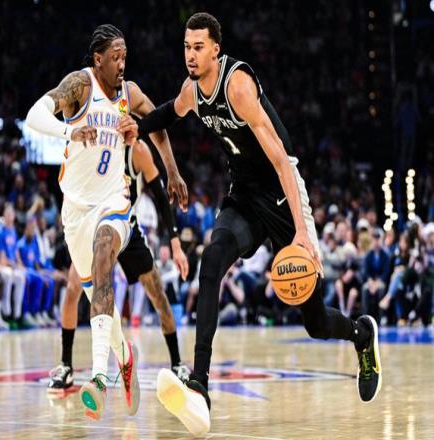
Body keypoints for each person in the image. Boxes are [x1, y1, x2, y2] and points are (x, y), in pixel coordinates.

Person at [118, 12, 382, 436]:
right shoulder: (192, 91)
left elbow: (282, 161)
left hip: (281, 195)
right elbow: (168, 113)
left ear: (216, 50)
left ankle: (360, 333)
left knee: (314, 321)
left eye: (198, 47)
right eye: (186, 47)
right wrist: (138, 126)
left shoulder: (237, 86)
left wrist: (301, 231)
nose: (190, 55)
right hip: (243, 196)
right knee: (211, 263)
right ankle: (199, 386)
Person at [26, 24, 188, 420]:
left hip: (114, 203)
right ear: (98, 59)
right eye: (115, 57)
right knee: (94, 294)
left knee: (104, 258)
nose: (121, 64)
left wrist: (172, 170)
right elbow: (34, 115)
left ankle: (98, 378)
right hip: (75, 210)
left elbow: (158, 123)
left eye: (125, 57)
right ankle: (124, 355)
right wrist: (69, 130)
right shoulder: (79, 86)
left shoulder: (129, 94)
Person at [47, 140, 191, 394]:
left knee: (157, 294)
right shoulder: (94, 140)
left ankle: (177, 362)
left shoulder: (138, 150)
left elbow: (160, 196)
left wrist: (175, 241)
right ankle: (66, 364)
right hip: (96, 225)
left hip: (127, 227)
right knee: (72, 289)